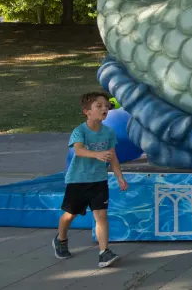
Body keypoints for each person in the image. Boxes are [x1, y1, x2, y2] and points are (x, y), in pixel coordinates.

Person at [53, 92, 129, 267]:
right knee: (69, 215)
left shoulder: (109, 132)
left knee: (101, 215)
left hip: (99, 180)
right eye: (99, 106)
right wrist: (97, 154)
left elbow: (113, 156)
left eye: (106, 106)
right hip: (78, 180)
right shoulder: (80, 131)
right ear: (87, 111)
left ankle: (104, 253)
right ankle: (61, 239)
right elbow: (79, 151)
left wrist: (119, 177)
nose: (105, 109)